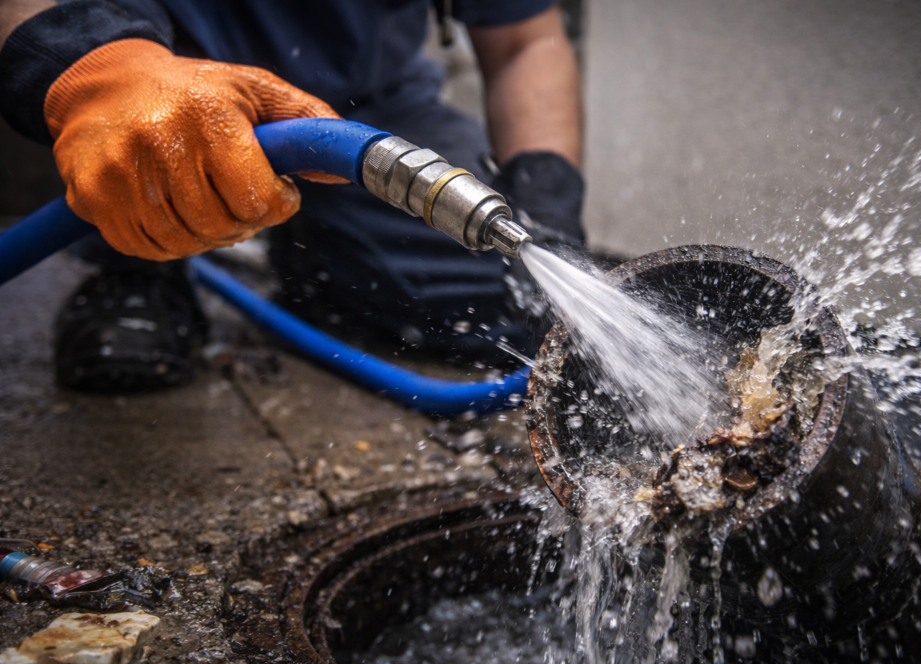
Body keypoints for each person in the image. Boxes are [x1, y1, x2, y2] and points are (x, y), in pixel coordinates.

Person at [0, 0, 585, 391]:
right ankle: (139, 268)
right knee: (139, 169)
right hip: (163, 86)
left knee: (499, 303)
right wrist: (101, 72)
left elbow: (521, 43)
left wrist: (547, 211)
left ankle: (317, 264)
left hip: (366, 105)